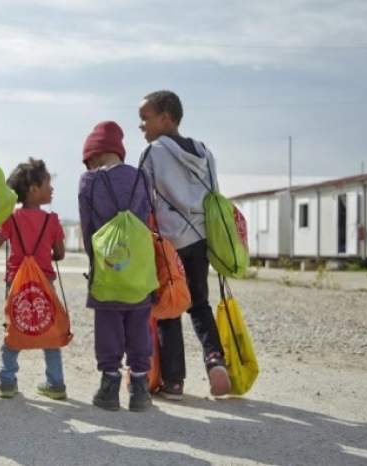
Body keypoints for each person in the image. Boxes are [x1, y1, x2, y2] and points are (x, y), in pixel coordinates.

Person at [137, 90, 232, 399]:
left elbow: (142, 200)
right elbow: (215, 195)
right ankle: (215, 359)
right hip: (201, 238)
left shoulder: (153, 153)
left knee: (168, 308)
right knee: (199, 303)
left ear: (165, 118)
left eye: (145, 119)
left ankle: (174, 382)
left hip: (169, 242)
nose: (142, 126)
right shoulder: (204, 151)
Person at [0, 158, 67, 400]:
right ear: (34, 190)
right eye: (47, 183)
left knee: (14, 326)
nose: (51, 188)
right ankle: (55, 383)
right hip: (45, 283)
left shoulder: (10, 218)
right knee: (49, 328)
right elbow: (60, 254)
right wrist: (45, 252)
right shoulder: (52, 220)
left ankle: (7, 380)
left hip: (16, 283)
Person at [78, 121, 153, 412]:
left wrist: (96, 260)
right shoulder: (141, 178)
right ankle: (140, 389)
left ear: (94, 155)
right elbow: (146, 217)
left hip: (108, 265)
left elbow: (88, 229)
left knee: (108, 324)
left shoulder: (89, 181)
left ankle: (109, 388)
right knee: (139, 324)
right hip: (139, 266)